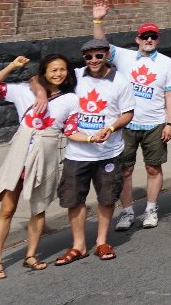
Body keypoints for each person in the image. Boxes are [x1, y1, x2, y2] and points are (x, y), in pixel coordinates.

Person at [0, 55, 80, 278]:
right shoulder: (24, 92)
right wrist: (12, 67)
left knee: (38, 209)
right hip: (20, 158)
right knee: (7, 209)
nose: (58, 74)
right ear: (44, 73)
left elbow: (71, 130)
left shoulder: (71, 100)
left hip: (46, 156)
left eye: (62, 70)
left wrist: (93, 139)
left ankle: (31, 255)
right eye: (53, 70)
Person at [92, 0, 171, 232]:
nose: (149, 40)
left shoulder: (166, 63)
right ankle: (127, 211)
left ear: (157, 39)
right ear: (137, 39)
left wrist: (170, 123)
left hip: (155, 123)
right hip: (127, 123)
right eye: (145, 36)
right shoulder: (125, 57)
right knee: (125, 170)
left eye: (153, 36)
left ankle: (151, 208)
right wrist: (98, 19)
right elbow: (101, 45)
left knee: (153, 168)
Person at [59, 40, 135, 266]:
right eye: (88, 57)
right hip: (77, 151)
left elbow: (128, 113)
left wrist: (111, 128)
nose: (93, 61)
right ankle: (78, 245)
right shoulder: (75, 75)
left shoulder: (120, 81)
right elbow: (42, 79)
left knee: (107, 197)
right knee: (74, 199)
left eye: (98, 56)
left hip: (108, 151)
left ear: (106, 55)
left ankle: (102, 241)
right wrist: (42, 95)